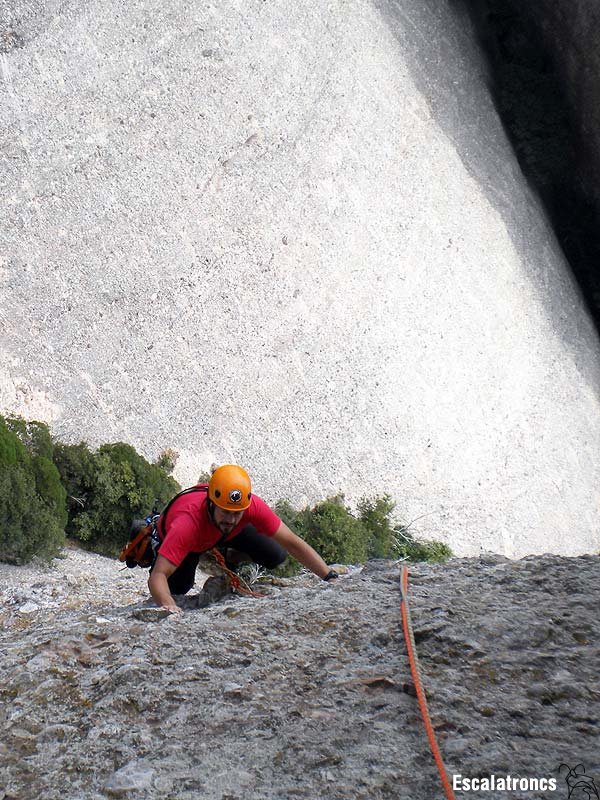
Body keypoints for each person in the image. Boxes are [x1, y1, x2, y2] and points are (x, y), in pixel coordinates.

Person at [148, 464, 338, 613]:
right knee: (178, 588)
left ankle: (229, 555)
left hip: (220, 536)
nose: (231, 519)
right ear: (212, 504)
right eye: (226, 512)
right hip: (190, 541)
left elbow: (291, 542)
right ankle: (208, 553)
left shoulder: (249, 506)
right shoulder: (187, 524)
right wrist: (169, 606)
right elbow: (158, 576)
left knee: (275, 554)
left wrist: (328, 576)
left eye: (237, 513)